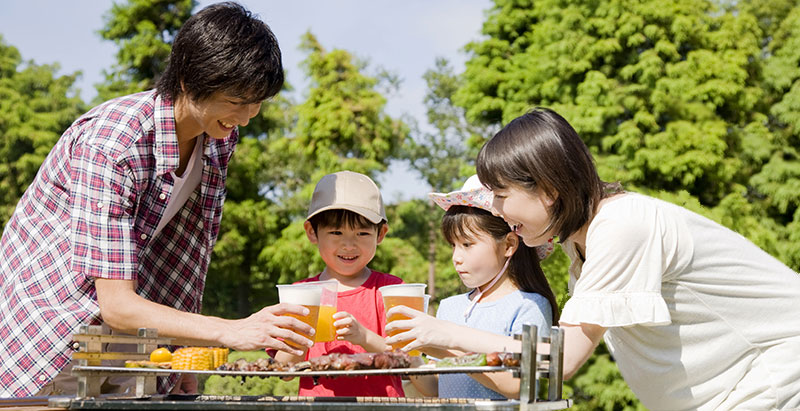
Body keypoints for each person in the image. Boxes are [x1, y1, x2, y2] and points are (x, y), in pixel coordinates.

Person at [0, 2, 314, 397]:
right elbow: (116, 304)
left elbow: (188, 252)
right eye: (237, 101)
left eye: (257, 102)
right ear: (188, 79)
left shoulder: (218, 138)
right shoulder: (114, 142)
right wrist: (229, 331)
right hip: (50, 330)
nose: (248, 116)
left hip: (129, 345)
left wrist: (185, 349)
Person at [475, 107, 800, 410]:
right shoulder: (583, 241)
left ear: (548, 190)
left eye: (501, 196)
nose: (497, 210)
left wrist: (449, 336)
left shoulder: (621, 226)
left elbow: (560, 361)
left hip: (775, 379)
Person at [386, 175, 559, 399]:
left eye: (467, 244)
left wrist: (448, 350)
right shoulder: (449, 307)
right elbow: (435, 388)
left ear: (508, 245)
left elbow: (519, 386)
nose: (456, 257)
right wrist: (412, 354)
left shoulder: (528, 305)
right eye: (453, 245)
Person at [274, 171, 405, 397]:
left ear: (380, 234)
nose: (348, 245)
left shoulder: (390, 290)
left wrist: (365, 337)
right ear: (312, 232)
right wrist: (300, 334)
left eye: (362, 233)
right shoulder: (301, 294)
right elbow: (283, 371)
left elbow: (409, 363)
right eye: (336, 232)